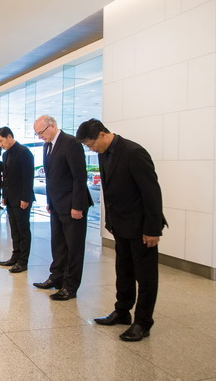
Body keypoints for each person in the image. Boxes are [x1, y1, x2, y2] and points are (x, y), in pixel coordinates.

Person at [76, 119, 167, 342]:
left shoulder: (134, 152)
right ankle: (122, 311)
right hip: (120, 225)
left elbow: (151, 192)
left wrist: (152, 229)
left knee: (145, 277)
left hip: (141, 227)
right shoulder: (103, 153)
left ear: (102, 134)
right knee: (123, 270)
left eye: (91, 144)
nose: (91, 149)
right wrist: (111, 222)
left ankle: (143, 322)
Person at [32, 115, 93, 301]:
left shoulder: (71, 143)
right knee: (58, 244)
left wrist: (77, 206)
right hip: (57, 204)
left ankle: (70, 286)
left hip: (72, 206)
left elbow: (79, 177)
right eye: (37, 134)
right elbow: (51, 177)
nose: (39, 137)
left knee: (73, 248)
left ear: (52, 126)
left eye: (41, 132)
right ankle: (56, 277)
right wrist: (50, 201)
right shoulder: (47, 146)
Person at [0, 126, 35, 273]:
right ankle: (15, 256)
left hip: (22, 198)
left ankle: (23, 261)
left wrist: (25, 198)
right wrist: (4, 196)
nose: (0, 144)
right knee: (14, 229)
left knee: (23, 230)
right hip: (10, 198)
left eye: (1, 141)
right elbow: (5, 178)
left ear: (9, 136)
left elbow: (28, 177)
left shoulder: (24, 152)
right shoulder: (6, 154)